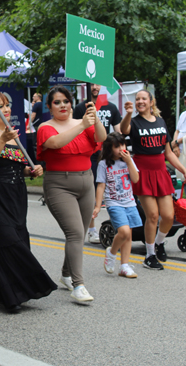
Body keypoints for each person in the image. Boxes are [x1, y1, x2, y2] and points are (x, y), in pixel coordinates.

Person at [0, 91, 56, 313]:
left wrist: (32, 170)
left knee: (18, 240)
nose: (6, 110)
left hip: (16, 196)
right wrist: (1, 141)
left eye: (7, 105)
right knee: (7, 243)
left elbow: (17, 167)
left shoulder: (12, 135)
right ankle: (13, 295)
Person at [37, 85, 106, 303]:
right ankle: (79, 285)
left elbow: (101, 137)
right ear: (49, 107)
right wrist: (83, 124)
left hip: (86, 181)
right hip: (59, 184)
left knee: (80, 233)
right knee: (75, 233)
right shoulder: (45, 127)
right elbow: (56, 143)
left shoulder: (83, 122)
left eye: (65, 101)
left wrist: (95, 119)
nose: (62, 105)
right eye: (57, 102)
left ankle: (66, 274)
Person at [120, 90, 186, 269]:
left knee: (168, 216)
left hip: (161, 171)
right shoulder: (134, 121)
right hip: (143, 172)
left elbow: (168, 152)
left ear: (151, 102)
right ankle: (150, 255)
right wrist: (128, 113)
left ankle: (159, 242)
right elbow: (124, 130)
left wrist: (184, 170)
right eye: (137, 99)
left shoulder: (160, 122)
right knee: (152, 215)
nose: (140, 101)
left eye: (144, 98)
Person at [73, 83, 122, 244]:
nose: (95, 87)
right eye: (92, 84)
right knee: (92, 194)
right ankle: (92, 229)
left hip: (107, 155)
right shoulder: (81, 108)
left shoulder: (111, 107)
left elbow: (118, 131)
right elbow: (77, 130)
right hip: (91, 154)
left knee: (113, 192)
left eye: (98, 84)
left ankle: (116, 226)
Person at [93, 132, 142, 279]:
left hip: (130, 202)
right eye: (117, 146)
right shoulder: (103, 164)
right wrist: (97, 205)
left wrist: (129, 162)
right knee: (124, 232)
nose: (121, 148)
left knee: (129, 236)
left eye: (123, 145)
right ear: (109, 148)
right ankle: (112, 253)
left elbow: (136, 179)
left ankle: (124, 266)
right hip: (114, 203)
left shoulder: (128, 160)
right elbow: (101, 185)